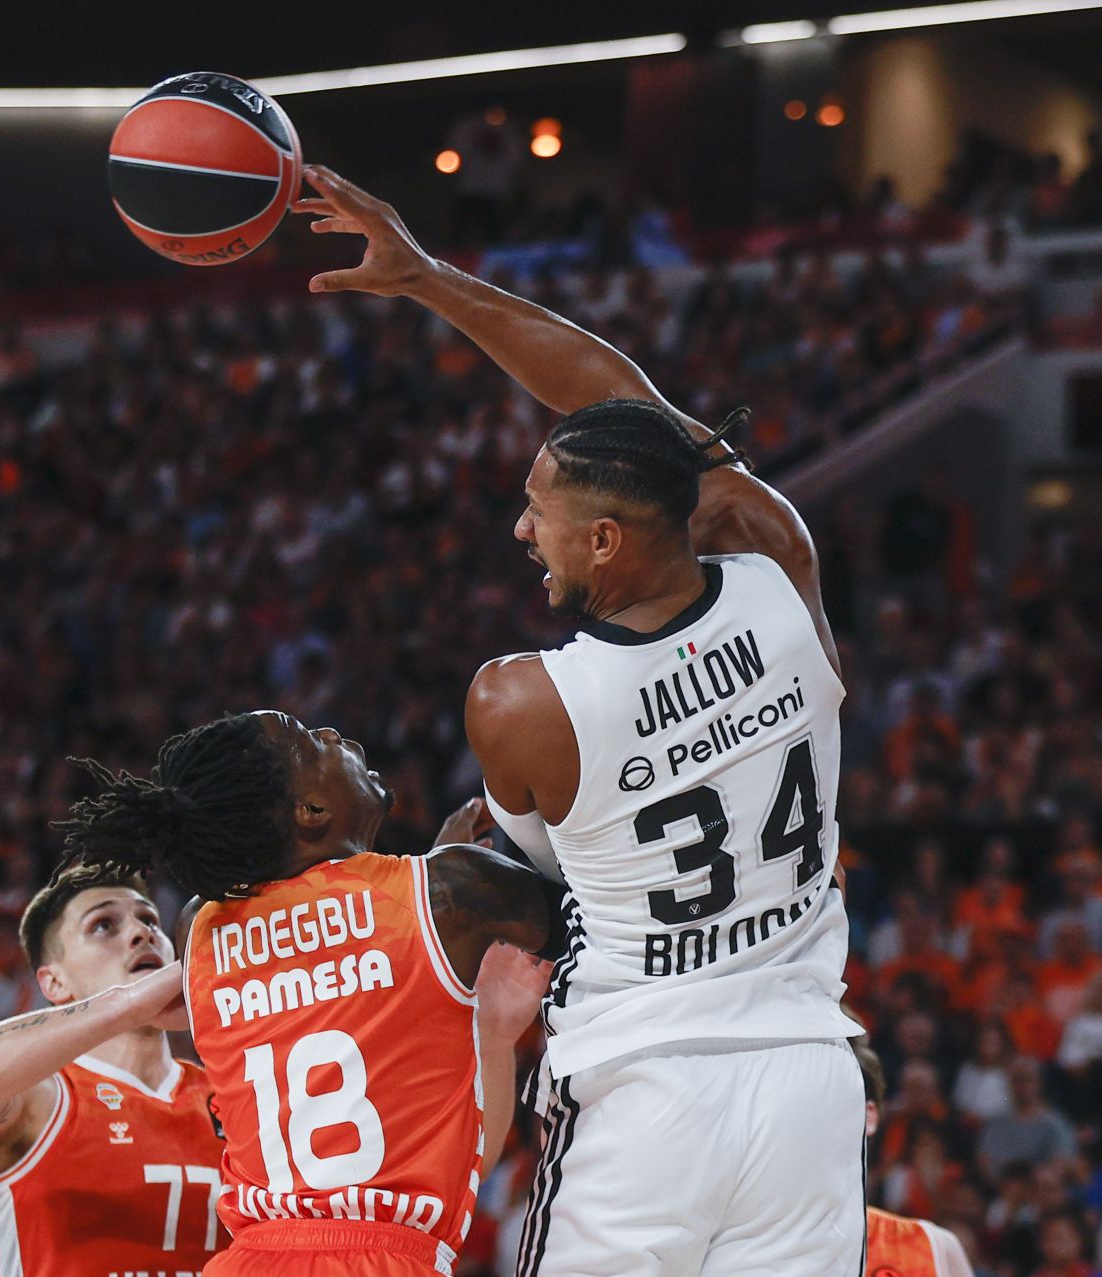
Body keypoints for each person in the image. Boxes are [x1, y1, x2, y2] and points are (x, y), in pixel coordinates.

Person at [299, 162, 864, 1276]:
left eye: (538, 511)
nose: (522, 530)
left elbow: (522, 878)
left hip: (648, 1088)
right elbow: (631, 414)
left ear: (604, 541)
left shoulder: (522, 700)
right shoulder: (775, 557)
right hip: (808, 1078)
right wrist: (430, 277)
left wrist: (426, 282)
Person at [53, 710, 553, 1277]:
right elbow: (606, 909)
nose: (334, 734)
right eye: (312, 741)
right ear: (311, 812)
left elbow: (331, 963)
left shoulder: (201, 927)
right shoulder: (449, 893)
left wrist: (439, 881)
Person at [0, 863, 225, 1277]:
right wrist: (125, 1005)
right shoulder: (42, 1097)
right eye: (103, 926)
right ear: (54, 982)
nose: (140, 933)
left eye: (150, 920)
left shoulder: (229, 1095)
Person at [855, 1040, 975, 1277]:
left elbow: (968, 1192)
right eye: (910, 1088)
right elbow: (871, 1179)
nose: (915, 1095)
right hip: (885, 1219)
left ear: (935, 1090)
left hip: (941, 1217)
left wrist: (931, 1178)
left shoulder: (954, 1127)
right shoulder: (887, 1129)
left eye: (922, 1087)